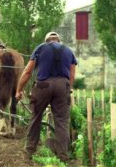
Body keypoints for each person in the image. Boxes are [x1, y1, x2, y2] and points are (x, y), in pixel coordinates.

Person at [15, 31, 77, 162]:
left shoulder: (40, 48)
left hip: (43, 86)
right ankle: (63, 156)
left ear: (46, 40)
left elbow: (27, 71)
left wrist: (19, 90)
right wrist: (67, 89)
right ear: (58, 41)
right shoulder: (68, 51)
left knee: (36, 117)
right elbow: (72, 75)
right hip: (62, 86)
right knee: (61, 121)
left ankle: (29, 152)